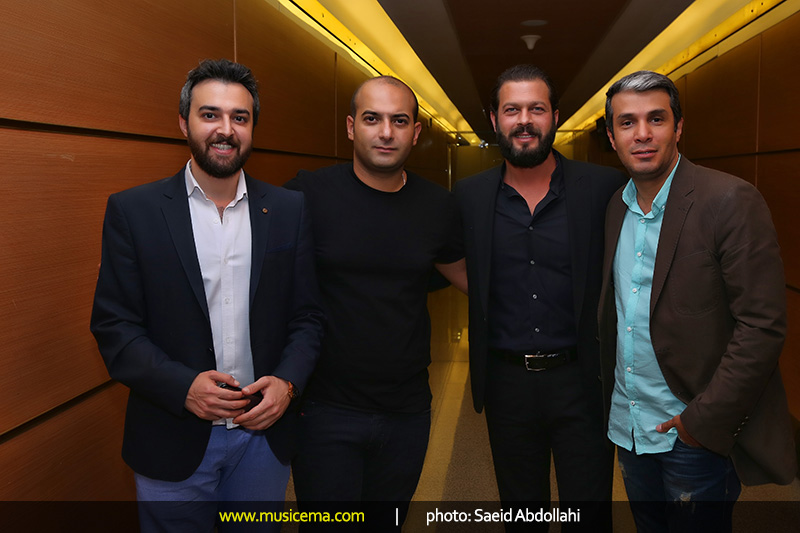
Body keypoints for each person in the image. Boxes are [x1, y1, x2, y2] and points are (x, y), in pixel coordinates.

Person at [90, 58, 324, 531]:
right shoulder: (133, 211)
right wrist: (184, 388)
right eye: (210, 114)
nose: (226, 130)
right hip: (171, 436)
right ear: (184, 122)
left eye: (240, 117)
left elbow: (308, 317)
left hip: (263, 438)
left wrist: (287, 384)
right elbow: (115, 327)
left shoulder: (288, 209)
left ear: (252, 128)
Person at [600, 70, 797, 532]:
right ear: (612, 137)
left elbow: (762, 326)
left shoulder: (729, 200)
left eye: (656, 119)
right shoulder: (615, 207)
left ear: (679, 127)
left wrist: (701, 423)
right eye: (627, 122)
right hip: (629, 427)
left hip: (692, 434)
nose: (642, 134)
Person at [284, 75, 465, 529]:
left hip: (407, 411)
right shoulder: (306, 194)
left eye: (399, 121)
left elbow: (473, 279)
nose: (386, 132)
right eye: (372, 119)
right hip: (325, 410)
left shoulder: (437, 206)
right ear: (351, 127)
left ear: (415, 132)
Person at [453, 64, 625, 531]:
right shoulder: (468, 196)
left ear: (555, 117)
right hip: (506, 384)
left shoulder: (603, 189)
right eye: (512, 110)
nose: (524, 121)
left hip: (583, 381)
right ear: (495, 119)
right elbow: (443, 258)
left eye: (536, 109)